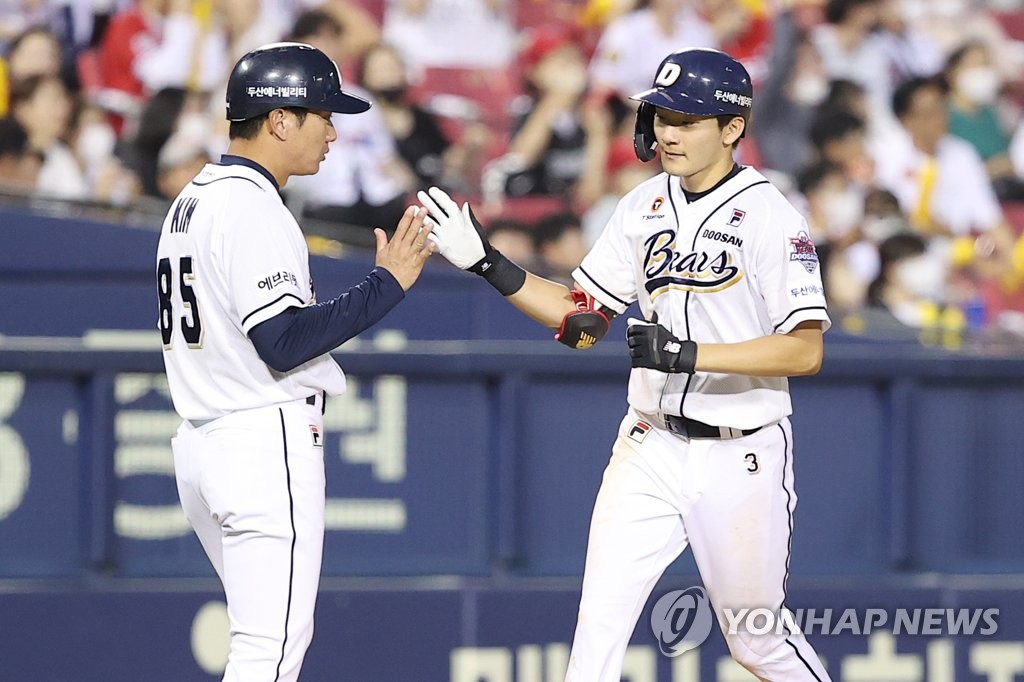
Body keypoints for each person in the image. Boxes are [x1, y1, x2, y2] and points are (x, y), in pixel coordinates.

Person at [420, 48, 832, 681]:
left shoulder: (772, 217)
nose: (667, 131)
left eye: (688, 120)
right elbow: (582, 323)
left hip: (741, 448)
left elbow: (805, 350)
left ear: (731, 128)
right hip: (650, 444)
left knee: (757, 643)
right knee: (596, 639)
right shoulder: (643, 206)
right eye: (663, 115)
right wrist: (486, 262)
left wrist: (692, 356)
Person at [156, 42, 434, 681]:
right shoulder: (251, 204)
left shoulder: (193, 198)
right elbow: (281, 341)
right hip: (260, 438)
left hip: (203, 443)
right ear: (280, 119)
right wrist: (384, 285)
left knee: (262, 646)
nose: (333, 131)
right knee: (268, 655)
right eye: (321, 114)